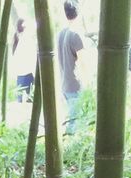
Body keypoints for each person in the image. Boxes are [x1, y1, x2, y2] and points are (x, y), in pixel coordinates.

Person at [57, 2, 85, 135]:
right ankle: (68, 153)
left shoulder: (60, 34)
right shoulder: (75, 35)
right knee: (74, 125)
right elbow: (84, 63)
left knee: (70, 121)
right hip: (75, 86)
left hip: (64, 84)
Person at [12, 17, 37, 104]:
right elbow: (32, 60)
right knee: (29, 104)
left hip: (20, 77)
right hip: (28, 76)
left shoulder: (18, 40)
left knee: (21, 104)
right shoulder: (26, 40)